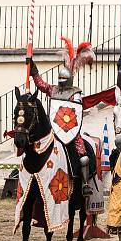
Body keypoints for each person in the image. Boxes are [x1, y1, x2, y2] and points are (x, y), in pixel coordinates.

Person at [30, 37, 96, 197]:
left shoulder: (75, 94)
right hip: (54, 130)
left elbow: (76, 113)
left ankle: (85, 183)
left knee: (82, 154)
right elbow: (40, 84)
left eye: (63, 80)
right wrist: (33, 69)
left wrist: (71, 130)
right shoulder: (53, 90)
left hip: (70, 132)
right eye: (60, 79)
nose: (61, 82)